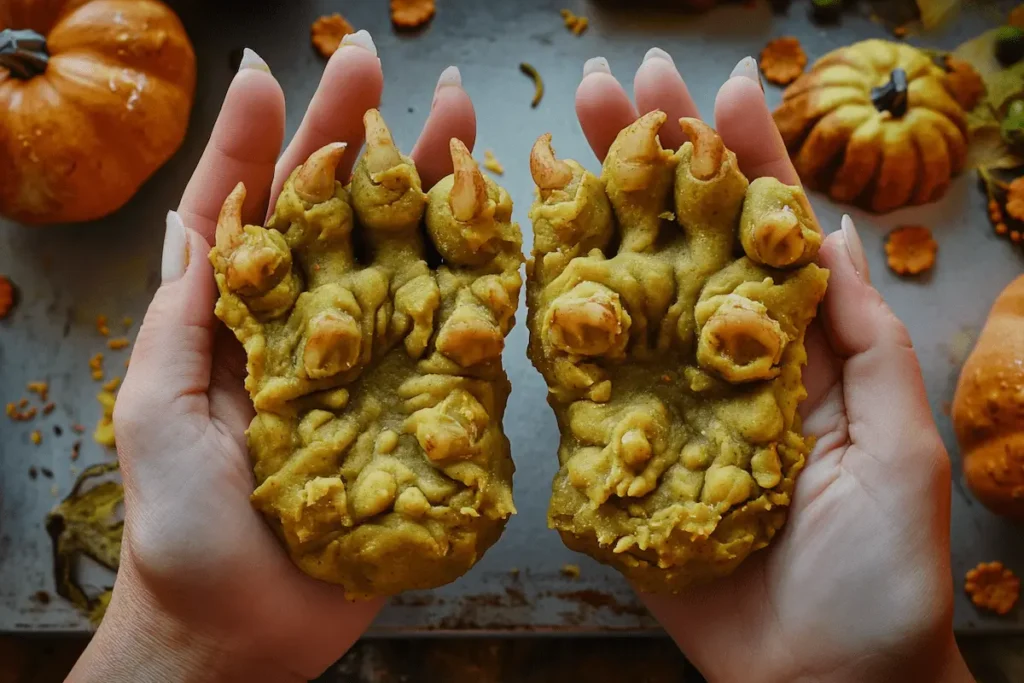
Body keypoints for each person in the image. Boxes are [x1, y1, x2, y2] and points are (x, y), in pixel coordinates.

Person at [66, 30, 976, 683]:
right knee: (433, 325)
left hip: (365, 505)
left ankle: (557, 328)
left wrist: (184, 643)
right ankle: (613, 326)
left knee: (358, 310)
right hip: (707, 506)